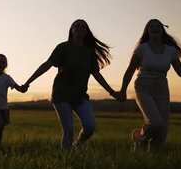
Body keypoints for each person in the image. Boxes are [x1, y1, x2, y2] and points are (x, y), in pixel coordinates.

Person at [23, 19, 120, 150]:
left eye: (83, 27)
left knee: (90, 127)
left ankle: (78, 145)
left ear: (86, 32)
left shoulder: (89, 51)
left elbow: (96, 74)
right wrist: (28, 82)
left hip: (80, 95)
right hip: (61, 94)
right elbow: (47, 65)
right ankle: (66, 160)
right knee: (68, 131)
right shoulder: (63, 47)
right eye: (77, 26)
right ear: (72, 30)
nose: (80, 28)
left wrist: (112, 92)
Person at [119, 19, 181, 151]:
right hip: (143, 87)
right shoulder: (142, 48)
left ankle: (154, 161)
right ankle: (139, 138)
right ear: (147, 31)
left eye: (158, 26)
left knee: (162, 130)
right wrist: (123, 90)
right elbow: (130, 70)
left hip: (161, 89)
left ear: (162, 31)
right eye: (152, 26)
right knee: (155, 122)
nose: (155, 28)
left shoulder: (170, 50)